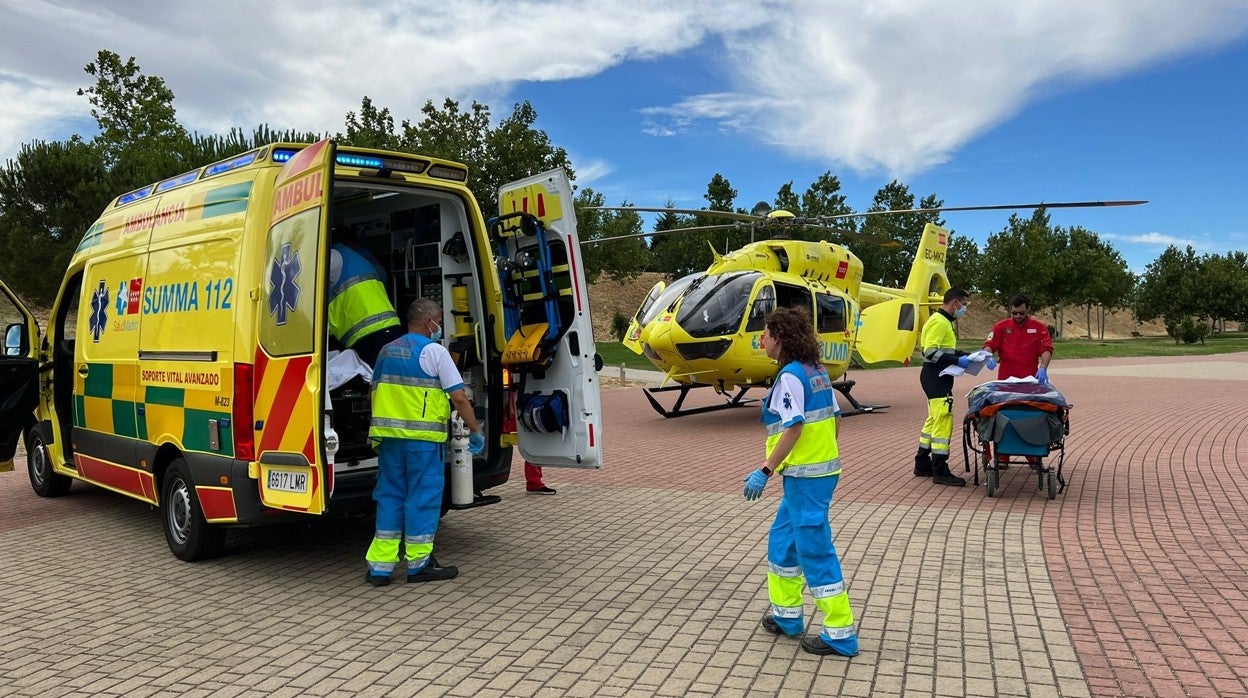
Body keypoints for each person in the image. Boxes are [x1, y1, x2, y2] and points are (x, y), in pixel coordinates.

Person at [743, 306, 859, 657]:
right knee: (784, 542)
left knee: (814, 550)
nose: (761, 338)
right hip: (811, 474)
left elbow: (793, 425)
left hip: (807, 477)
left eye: (765, 332)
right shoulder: (817, 370)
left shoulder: (791, 376)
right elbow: (835, 417)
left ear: (780, 338)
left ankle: (840, 632)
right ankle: (787, 615)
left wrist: (765, 469)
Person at [364, 298, 486, 586]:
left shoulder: (386, 350)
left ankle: (380, 568)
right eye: (439, 322)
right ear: (428, 321)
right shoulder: (434, 352)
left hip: (390, 440)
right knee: (422, 497)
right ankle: (418, 565)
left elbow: (373, 394)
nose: (439, 327)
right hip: (422, 441)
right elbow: (458, 396)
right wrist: (475, 429)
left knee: (390, 497)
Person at [914, 288, 975, 487]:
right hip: (935, 376)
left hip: (937, 377)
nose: (964, 309)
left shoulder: (943, 322)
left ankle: (923, 463)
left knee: (934, 420)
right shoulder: (939, 322)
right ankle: (939, 469)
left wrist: (970, 356)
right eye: (963, 305)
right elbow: (930, 352)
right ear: (955, 302)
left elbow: (946, 350)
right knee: (943, 420)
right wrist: (959, 360)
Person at [329, 226, 402, 367]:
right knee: (386, 375)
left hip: (368, 331)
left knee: (376, 379)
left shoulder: (334, 256)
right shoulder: (361, 258)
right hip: (386, 326)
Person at [982, 293, 1053, 382]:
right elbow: (989, 344)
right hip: (1006, 378)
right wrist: (987, 356)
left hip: (1029, 378)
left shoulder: (1039, 328)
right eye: (1014, 313)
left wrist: (1043, 367)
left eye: (1021, 313)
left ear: (1028, 309)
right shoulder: (1000, 327)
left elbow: (1046, 349)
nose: (1018, 316)